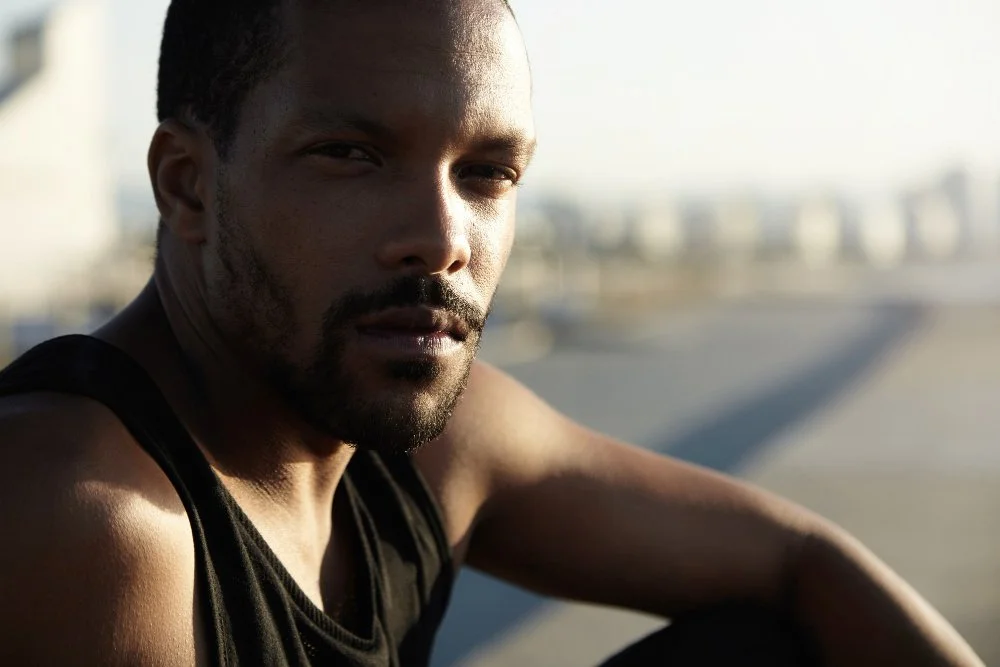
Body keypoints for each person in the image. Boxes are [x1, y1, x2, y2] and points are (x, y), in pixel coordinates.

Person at [0, 1, 984, 665]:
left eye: (487, 174)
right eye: (348, 155)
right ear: (188, 185)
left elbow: (799, 561)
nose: (440, 240)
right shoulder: (88, 515)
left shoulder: (434, 444)